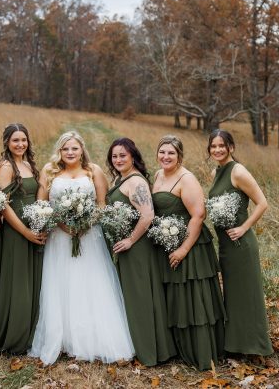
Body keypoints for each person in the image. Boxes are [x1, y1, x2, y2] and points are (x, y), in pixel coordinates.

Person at [29, 131, 134, 365]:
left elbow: (101, 203)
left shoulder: (93, 170)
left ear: (81, 149)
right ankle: (63, 338)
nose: (70, 153)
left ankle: (93, 340)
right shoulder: (50, 171)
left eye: (74, 148)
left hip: (88, 236)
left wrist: (85, 224)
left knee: (91, 283)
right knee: (61, 283)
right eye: (65, 148)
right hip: (59, 237)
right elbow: (41, 203)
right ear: (60, 150)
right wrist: (61, 224)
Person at [152, 135, 225, 370]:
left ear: (180, 155)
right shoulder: (158, 175)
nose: (166, 156)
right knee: (175, 297)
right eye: (162, 152)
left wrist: (183, 248)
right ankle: (179, 347)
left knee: (193, 297)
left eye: (171, 153)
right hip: (167, 242)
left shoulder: (187, 178)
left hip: (190, 245)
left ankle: (201, 351)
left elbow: (198, 215)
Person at [106, 138, 176, 366]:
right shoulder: (121, 178)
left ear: (133, 156)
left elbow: (147, 216)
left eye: (123, 155)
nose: (118, 160)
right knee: (133, 296)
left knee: (140, 297)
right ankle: (138, 344)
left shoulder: (136, 182)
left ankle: (149, 350)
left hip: (137, 248)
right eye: (114, 156)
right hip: (127, 247)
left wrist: (129, 240)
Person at [207, 129, 273, 356]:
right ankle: (236, 345)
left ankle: (256, 346)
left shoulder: (238, 171)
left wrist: (244, 227)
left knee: (248, 295)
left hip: (241, 245)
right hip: (226, 246)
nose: (217, 150)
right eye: (213, 146)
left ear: (231, 147)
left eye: (221, 146)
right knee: (234, 296)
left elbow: (262, 203)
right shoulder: (217, 171)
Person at [0, 123, 45, 353]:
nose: (20, 144)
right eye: (15, 140)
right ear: (6, 142)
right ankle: (14, 337)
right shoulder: (5, 166)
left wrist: (40, 223)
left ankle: (29, 333)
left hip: (34, 228)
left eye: (23, 140)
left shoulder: (28, 164)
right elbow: (2, 205)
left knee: (31, 282)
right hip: (16, 232)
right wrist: (25, 232)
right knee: (17, 284)